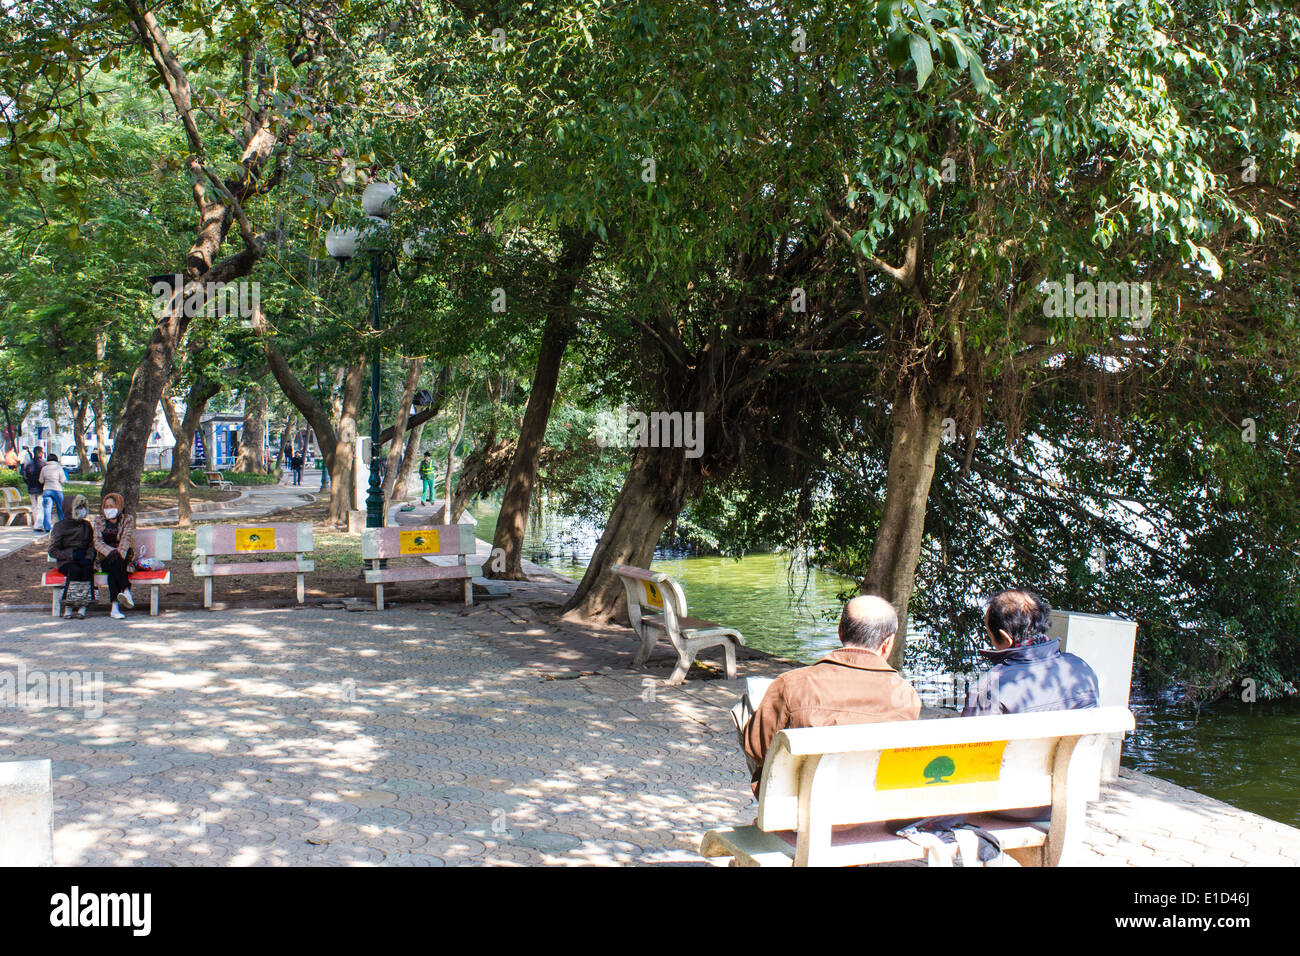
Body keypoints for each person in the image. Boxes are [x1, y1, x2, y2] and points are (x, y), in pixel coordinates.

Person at [741, 595, 921, 795]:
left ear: (840, 631)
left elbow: (757, 748)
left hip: (801, 811)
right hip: (874, 810)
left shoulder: (791, 685)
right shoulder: (906, 696)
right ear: (888, 644)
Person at [961, 589, 1099, 716]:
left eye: (990, 635)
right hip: (1078, 744)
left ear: (1005, 637)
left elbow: (969, 742)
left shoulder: (988, 690)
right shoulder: (1081, 669)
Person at [49, 493, 95, 619]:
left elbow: (91, 545)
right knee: (74, 570)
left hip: (84, 558)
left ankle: (83, 606)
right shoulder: (60, 526)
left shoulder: (87, 525)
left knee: (87, 569)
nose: (82, 510)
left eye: (83, 507)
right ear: (71, 509)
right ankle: (69, 605)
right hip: (67, 561)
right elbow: (53, 551)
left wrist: (88, 557)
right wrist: (71, 554)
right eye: (78, 507)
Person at [92, 492, 136, 620]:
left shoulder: (127, 519)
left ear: (119, 505)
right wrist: (111, 552)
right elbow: (97, 541)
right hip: (104, 557)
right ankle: (126, 591)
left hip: (122, 556)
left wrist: (118, 553)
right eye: (106, 506)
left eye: (111, 506)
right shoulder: (99, 520)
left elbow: (126, 539)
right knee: (114, 562)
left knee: (115, 566)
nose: (108, 509)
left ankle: (115, 608)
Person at [38, 453, 66, 532]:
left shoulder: (44, 468)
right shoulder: (58, 468)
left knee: (47, 509)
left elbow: (41, 480)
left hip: (47, 489)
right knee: (60, 508)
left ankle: (47, 527)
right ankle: (62, 525)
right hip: (57, 490)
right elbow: (62, 480)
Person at [22, 446, 46, 530]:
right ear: (40, 453)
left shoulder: (28, 463)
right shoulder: (43, 463)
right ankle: (39, 524)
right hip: (41, 487)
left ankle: (36, 522)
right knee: (40, 506)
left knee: (34, 506)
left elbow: (24, 476)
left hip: (31, 487)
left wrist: (28, 483)